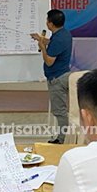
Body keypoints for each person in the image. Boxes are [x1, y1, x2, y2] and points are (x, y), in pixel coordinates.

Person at [31, 9, 72, 144]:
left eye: (47, 20)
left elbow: (49, 61)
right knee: (61, 110)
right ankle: (62, 137)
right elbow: (53, 44)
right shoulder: (64, 34)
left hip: (57, 79)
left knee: (60, 111)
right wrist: (42, 39)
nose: (46, 22)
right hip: (63, 74)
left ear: (51, 24)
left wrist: (42, 47)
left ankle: (61, 140)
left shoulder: (59, 38)